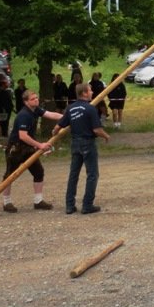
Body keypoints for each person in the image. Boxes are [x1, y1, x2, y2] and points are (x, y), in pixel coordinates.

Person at [1, 89, 64, 212]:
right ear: (25, 102)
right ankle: (6, 202)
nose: (36, 100)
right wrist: (39, 145)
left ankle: (38, 201)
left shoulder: (36, 110)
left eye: (36, 98)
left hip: (28, 147)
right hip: (16, 148)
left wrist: (67, 117)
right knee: (10, 175)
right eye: (32, 99)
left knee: (38, 172)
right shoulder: (24, 115)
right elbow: (23, 136)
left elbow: (51, 115)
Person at [53, 82, 110, 215]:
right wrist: (106, 136)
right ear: (84, 93)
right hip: (88, 143)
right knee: (92, 174)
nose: (92, 93)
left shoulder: (70, 108)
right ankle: (87, 205)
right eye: (90, 90)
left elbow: (58, 127)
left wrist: (53, 134)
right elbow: (96, 130)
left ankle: (69, 205)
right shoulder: (90, 109)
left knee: (74, 175)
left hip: (75, 143)